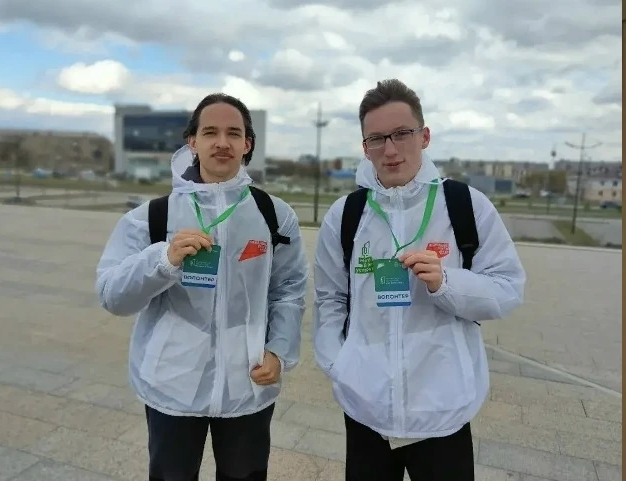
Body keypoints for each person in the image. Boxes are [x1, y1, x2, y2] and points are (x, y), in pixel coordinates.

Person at [312, 79, 526, 481]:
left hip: (443, 409)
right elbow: (329, 298)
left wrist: (446, 283)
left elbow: (508, 288)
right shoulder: (346, 215)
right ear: (365, 147)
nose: (390, 150)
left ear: (424, 136)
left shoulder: (466, 205)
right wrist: (339, 366)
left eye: (401, 134)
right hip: (366, 407)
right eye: (377, 139)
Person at [96, 93, 309, 481]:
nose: (222, 142)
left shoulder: (274, 215)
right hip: (172, 385)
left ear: (248, 144)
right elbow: (112, 296)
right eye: (210, 132)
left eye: (234, 133)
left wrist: (279, 351)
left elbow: (289, 289)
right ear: (192, 142)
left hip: (248, 382)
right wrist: (163, 260)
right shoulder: (151, 217)